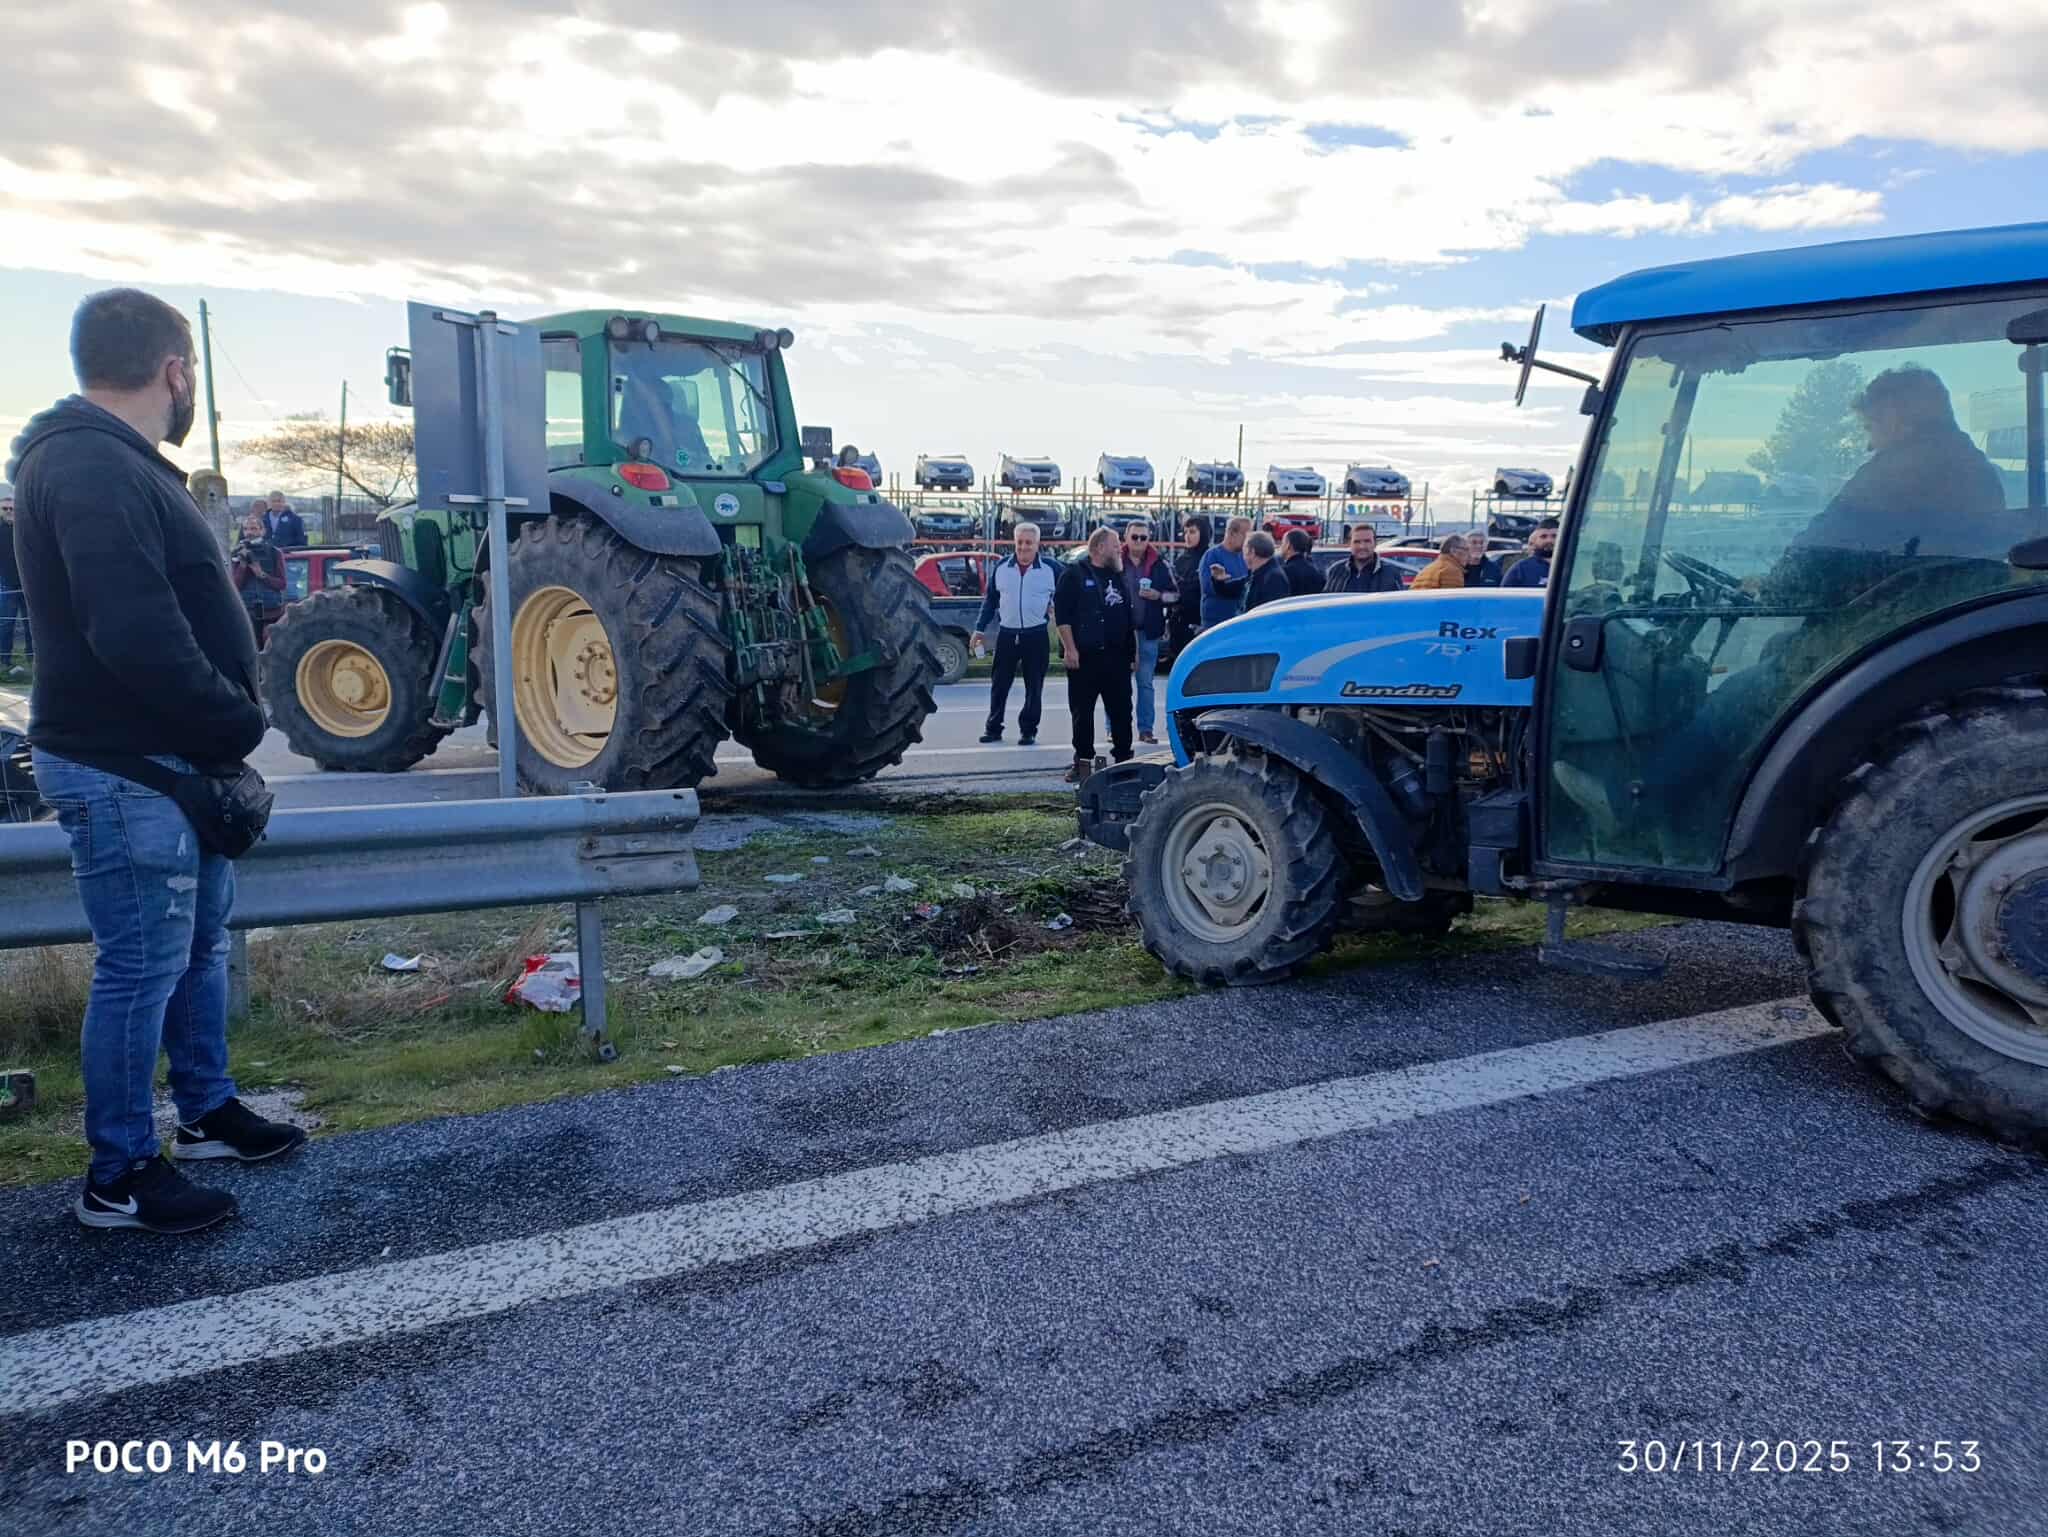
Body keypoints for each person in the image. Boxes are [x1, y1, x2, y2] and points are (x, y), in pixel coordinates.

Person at [9, 288, 305, 1236]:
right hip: (130, 764)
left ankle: (205, 1112)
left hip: (171, 762)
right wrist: (235, 719)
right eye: (191, 375)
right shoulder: (89, 465)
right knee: (141, 965)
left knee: (194, 947)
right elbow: (134, 633)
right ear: (176, 370)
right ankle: (121, 1173)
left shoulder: (114, 463)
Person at [1055, 528, 1135, 783]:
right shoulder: (1074, 575)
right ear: (1100, 547)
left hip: (1117, 658)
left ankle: (1124, 761)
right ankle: (1083, 762)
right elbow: (1062, 615)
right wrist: (1069, 648)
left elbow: (1126, 616)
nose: (1118, 549)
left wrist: (1131, 653)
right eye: (1114, 545)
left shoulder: (1117, 575)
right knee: (1082, 713)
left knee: (1122, 711)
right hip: (1085, 658)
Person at [972, 520, 1058, 746]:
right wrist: (979, 630)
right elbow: (990, 600)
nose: (1023, 547)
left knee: (1034, 686)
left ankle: (1028, 730)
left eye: (1029, 543)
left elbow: (1069, 594)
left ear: (1038, 544)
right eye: (1019, 542)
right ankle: (993, 728)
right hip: (1007, 635)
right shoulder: (1002, 568)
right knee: (999, 684)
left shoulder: (1051, 569)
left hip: (1036, 636)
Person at [1119, 522, 1178, 745]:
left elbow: (1176, 595)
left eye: (1143, 538)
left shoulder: (1159, 564)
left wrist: (1158, 596)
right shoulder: (1115, 561)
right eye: (1134, 537)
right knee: (1118, 683)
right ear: (1126, 537)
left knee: (1145, 684)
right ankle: (1115, 727)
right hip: (1120, 633)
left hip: (1147, 632)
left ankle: (1146, 729)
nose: (1139, 542)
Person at [231, 506, 288, 647]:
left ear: (262, 530)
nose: (249, 532)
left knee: (271, 646)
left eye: (254, 528)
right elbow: (234, 586)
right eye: (246, 529)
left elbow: (282, 584)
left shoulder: (275, 553)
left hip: (271, 611)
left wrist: (262, 575)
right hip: (247, 610)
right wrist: (243, 566)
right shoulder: (237, 552)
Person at [1198, 515, 1252, 628]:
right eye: (1246, 535)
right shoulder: (1212, 556)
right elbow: (1208, 587)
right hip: (1216, 623)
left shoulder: (1245, 556)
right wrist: (1221, 583)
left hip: (1239, 620)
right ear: (1232, 533)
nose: (1249, 540)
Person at [1324, 522, 1404, 595]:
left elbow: (1396, 605)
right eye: (1357, 542)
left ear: (1375, 544)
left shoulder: (1390, 573)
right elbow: (1327, 601)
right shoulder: (1336, 570)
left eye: (1367, 541)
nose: (1362, 546)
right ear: (1350, 544)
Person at [1169, 515, 1209, 655]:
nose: (1187, 536)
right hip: (1179, 622)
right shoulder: (1181, 559)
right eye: (1185, 532)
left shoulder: (1209, 558)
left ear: (1203, 533)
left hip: (1199, 623)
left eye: (1192, 532)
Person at [0, 483, 29, 677]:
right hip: (5, 583)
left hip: (27, 582)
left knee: (32, 623)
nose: (9, 511)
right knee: (6, 623)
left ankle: (34, 658)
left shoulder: (26, 527)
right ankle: (4, 659)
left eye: (12, 508)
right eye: (5, 508)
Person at [1243, 530, 1292, 611]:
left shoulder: (1274, 578)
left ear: (1252, 551)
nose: (1243, 555)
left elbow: (1271, 614)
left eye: (1244, 549)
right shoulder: (1259, 573)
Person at [1503, 518, 1559, 588]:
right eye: (1543, 536)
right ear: (1535, 540)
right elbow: (1504, 596)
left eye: (1554, 536)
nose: (1549, 540)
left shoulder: (1573, 567)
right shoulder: (1521, 569)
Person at [1280, 528, 1323, 597]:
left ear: (1288, 545)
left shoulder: (1284, 572)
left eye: (1282, 543)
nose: (1281, 547)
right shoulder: (1316, 571)